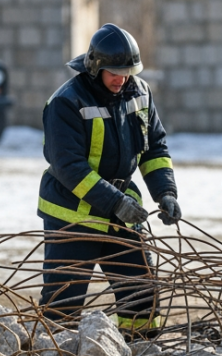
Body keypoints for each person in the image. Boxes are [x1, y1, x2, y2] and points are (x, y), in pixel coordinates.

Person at [37, 23, 180, 330]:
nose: (122, 79)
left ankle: (140, 349)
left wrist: (165, 192)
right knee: (63, 301)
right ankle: (53, 353)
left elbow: (154, 148)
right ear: (95, 66)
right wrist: (115, 202)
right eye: (114, 72)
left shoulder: (140, 93)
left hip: (121, 213)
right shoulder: (66, 102)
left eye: (128, 72)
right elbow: (69, 167)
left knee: (141, 294)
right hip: (73, 217)